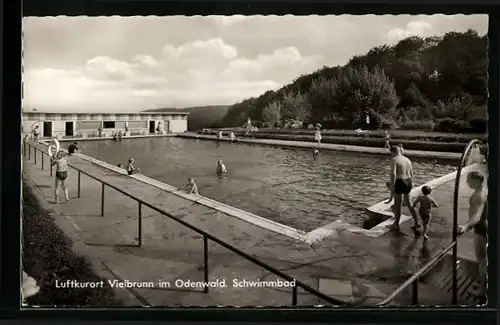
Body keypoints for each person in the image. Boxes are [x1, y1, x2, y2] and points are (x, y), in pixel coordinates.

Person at [458, 171, 488, 302]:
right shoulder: (484, 190)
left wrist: (465, 226)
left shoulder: (478, 195)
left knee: (481, 259)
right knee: (484, 257)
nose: (467, 183)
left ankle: (483, 290)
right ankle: (482, 282)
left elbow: (476, 217)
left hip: (481, 228)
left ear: (476, 180)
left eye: (468, 180)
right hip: (484, 225)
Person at [387, 145, 420, 231]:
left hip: (400, 182)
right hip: (408, 182)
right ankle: (416, 222)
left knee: (398, 205)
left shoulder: (394, 159)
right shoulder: (407, 159)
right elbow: (411, 174)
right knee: (409, 204)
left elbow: (393, 174)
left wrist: (392, 185)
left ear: (393, 152)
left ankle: (396, 224)